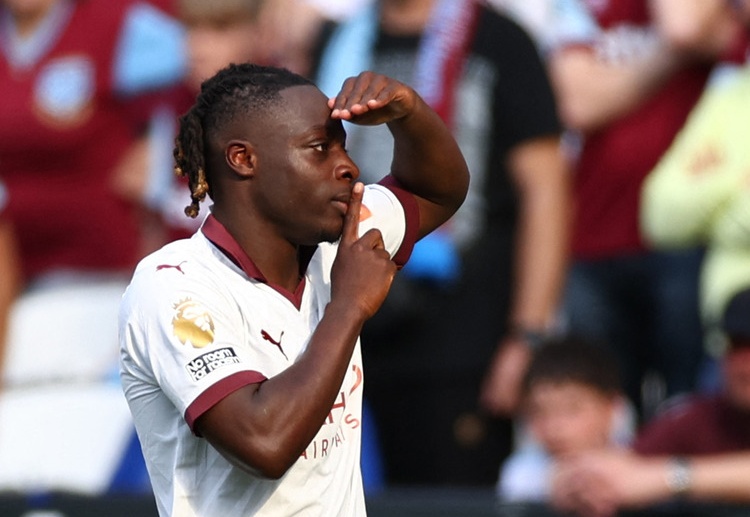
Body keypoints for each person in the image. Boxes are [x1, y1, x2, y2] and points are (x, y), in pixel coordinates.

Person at [118, 64, 469, 516]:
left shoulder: (335, 240)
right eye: (319, 149)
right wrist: (348, 308)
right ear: (243, 159)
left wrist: (409, 112)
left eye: (342, 147)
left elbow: (439, 191)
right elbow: (264, 443)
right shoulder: (173, 285)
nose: (349, 167)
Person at [314, 0, 570, 486]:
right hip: (349, 330)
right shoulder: (338, 43)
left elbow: (546, 191)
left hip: (464, 338)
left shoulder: (500, 40)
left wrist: (527, 336)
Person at [0, 0, 186, 494]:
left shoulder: (121, 23)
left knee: (84, 450)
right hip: (8, 283)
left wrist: (167, 153)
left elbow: (205, 75)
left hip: (101, 280)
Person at [545, 0, 742, 419]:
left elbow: (682, 27)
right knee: (603, 411)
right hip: (594, 237)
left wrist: (636, 69)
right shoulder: (589, 8)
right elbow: (578, 104)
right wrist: (674, 56)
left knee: (685, 406)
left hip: (686, 240)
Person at [550, 286, 750, 516]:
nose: (744, 364)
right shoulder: (704, 417)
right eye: (736, 345)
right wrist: (575, 483)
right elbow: (623, 466)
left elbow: (650, 477)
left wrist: (671, 478)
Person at [497, 336, 633, 504]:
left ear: (612, 407)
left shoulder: (638, 464)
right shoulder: (521, 473)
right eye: (540, 412)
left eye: (572, 409)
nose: (555, 427)